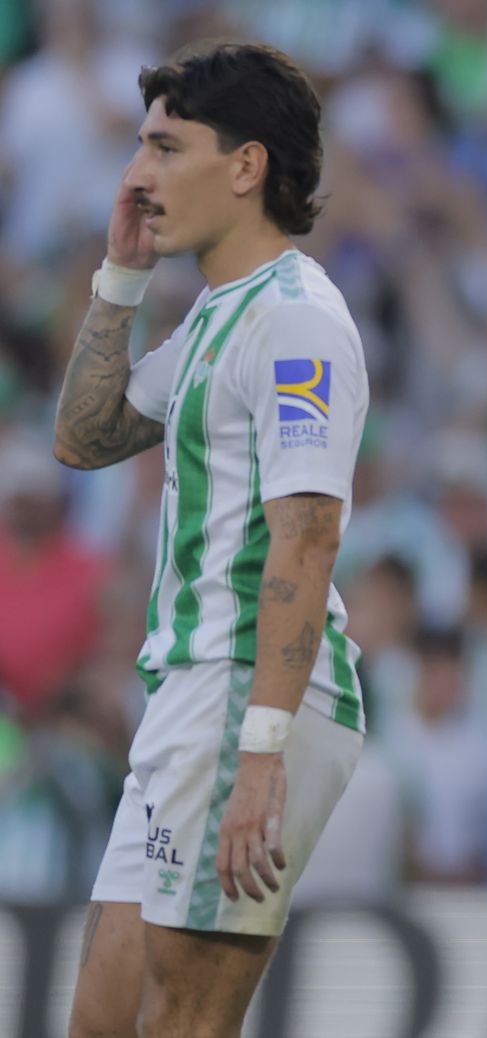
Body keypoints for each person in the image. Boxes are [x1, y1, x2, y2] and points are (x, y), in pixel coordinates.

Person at [51, 42, 369, 1037]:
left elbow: (307, 538)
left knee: (183, 1022)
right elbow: (84, 437)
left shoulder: (298, 323)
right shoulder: (216, 317)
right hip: (190, 694)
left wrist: (261, 754)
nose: (139, 174)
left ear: (246, 166)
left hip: (247, 697)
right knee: (104, 1023)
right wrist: (121, 278)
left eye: (165, 146)